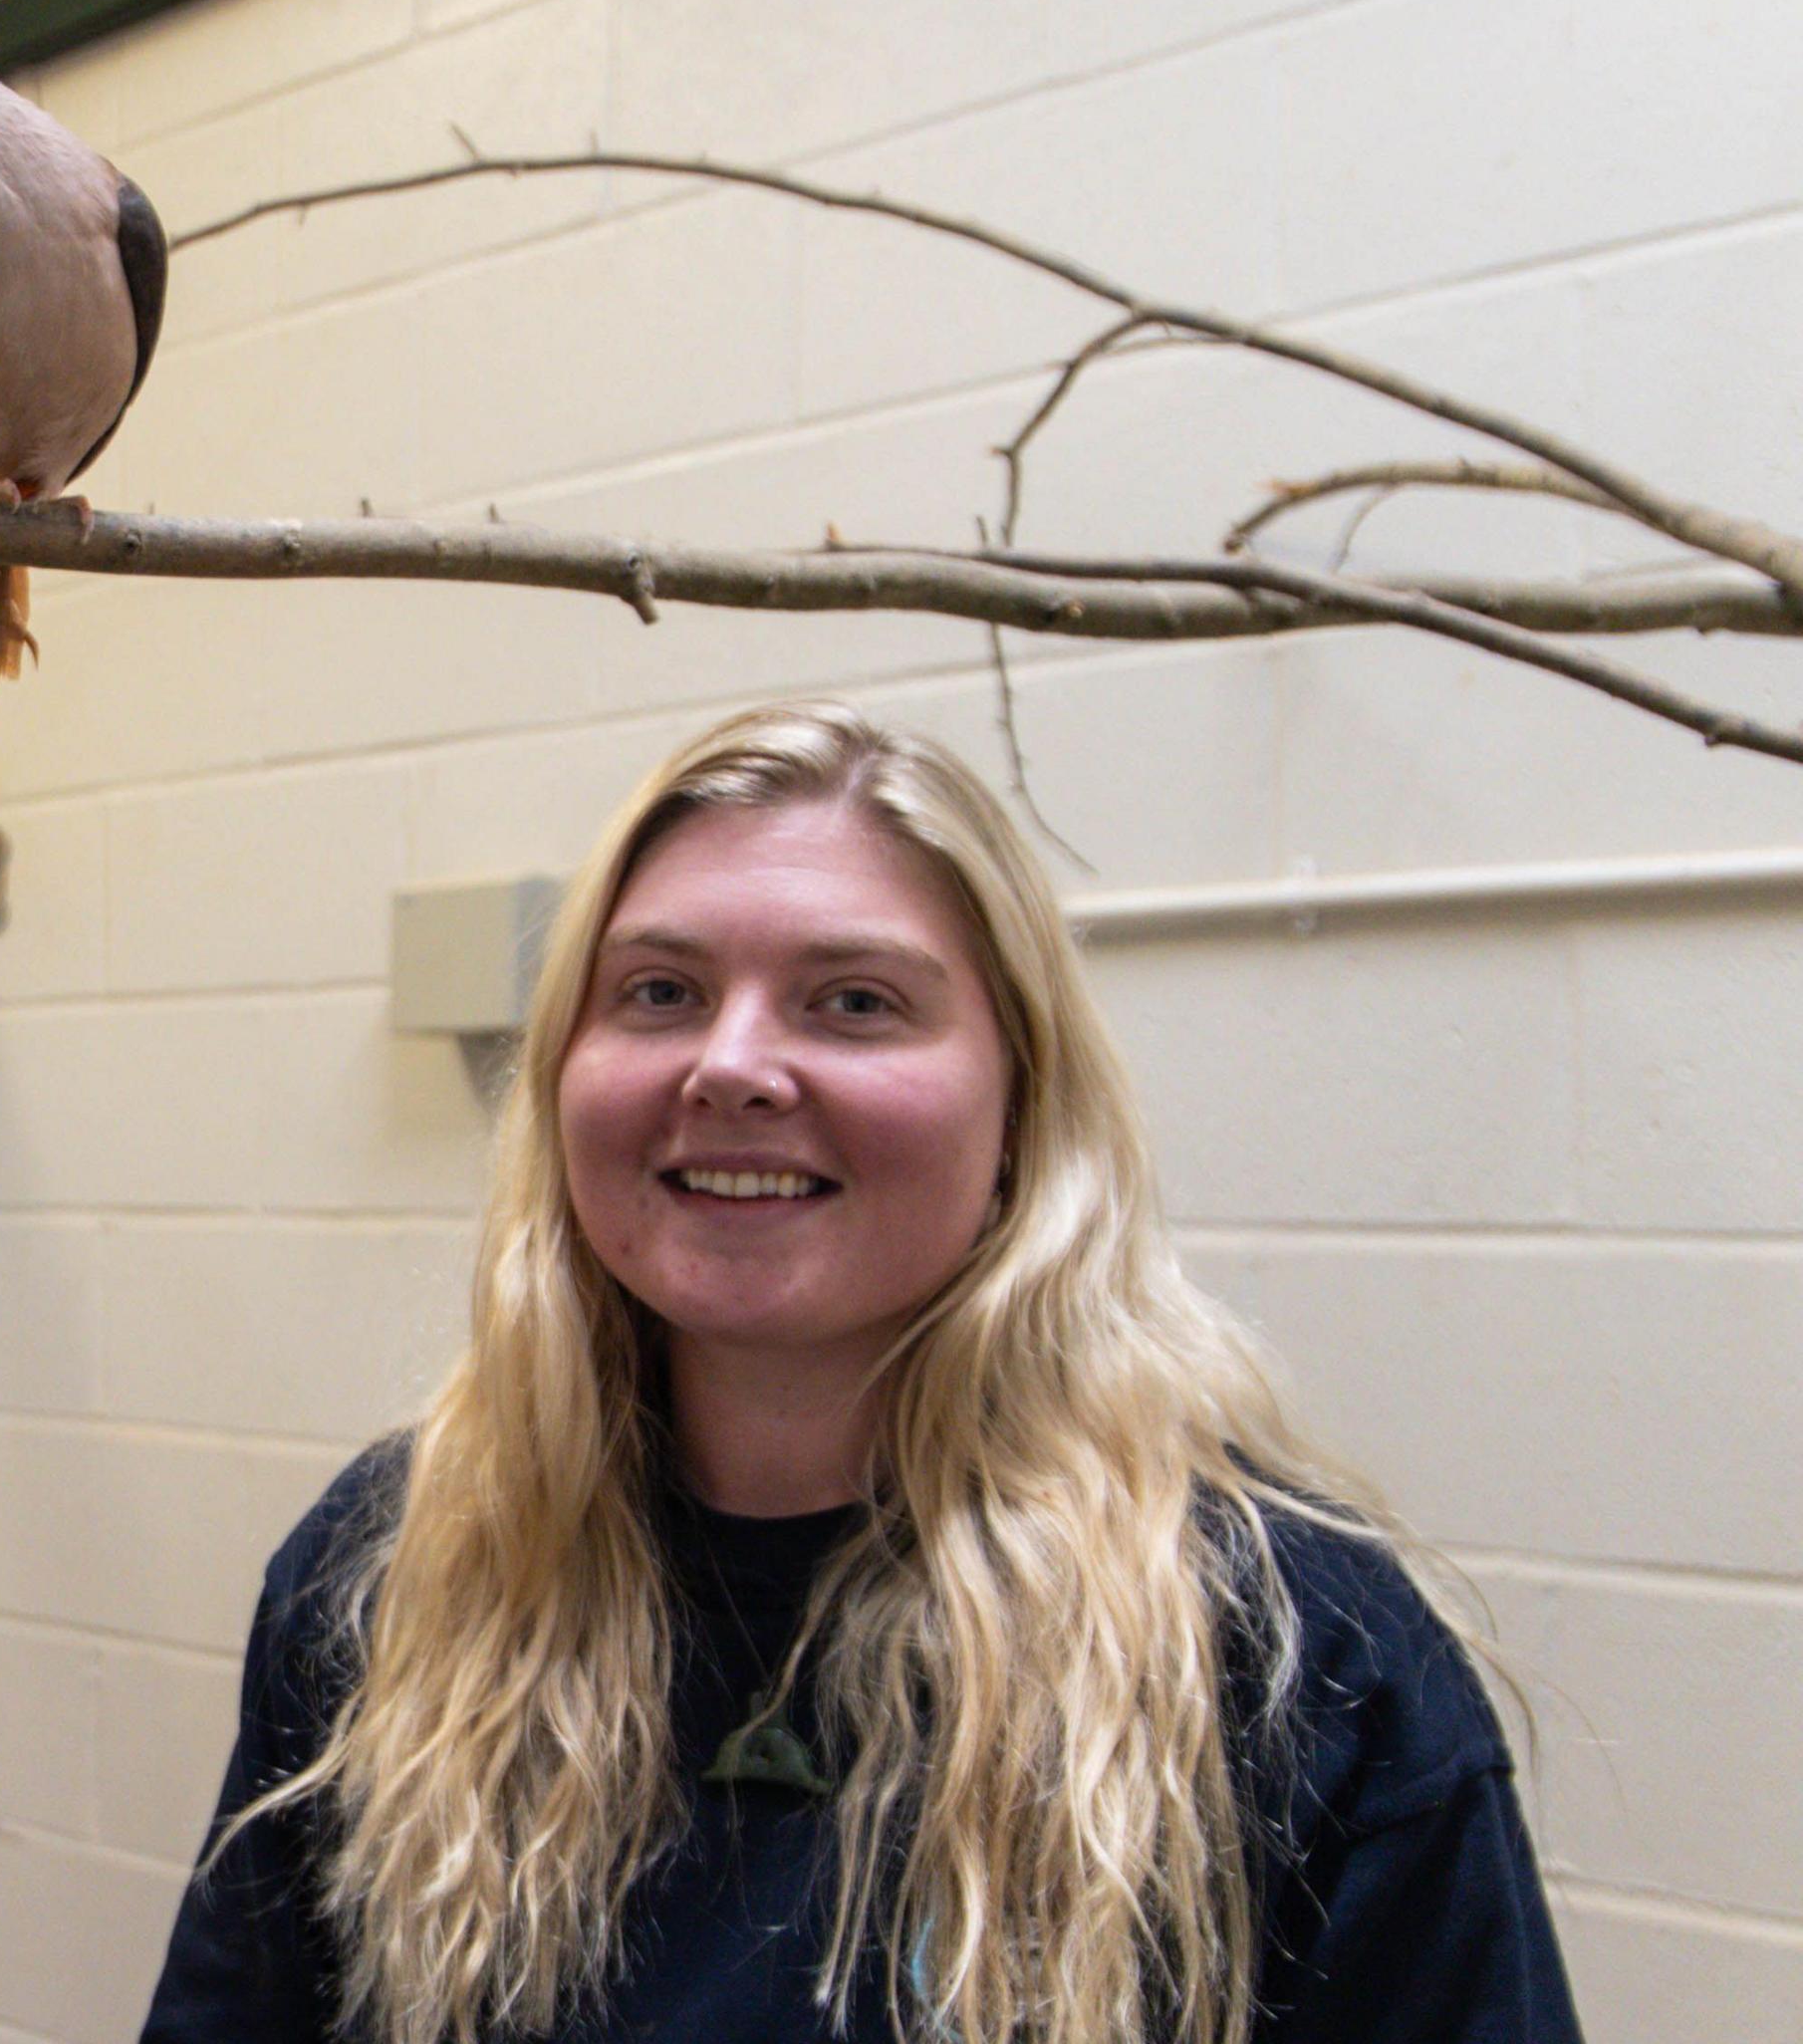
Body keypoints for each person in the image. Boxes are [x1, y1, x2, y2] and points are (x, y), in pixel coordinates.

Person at [141, 701, 1579, 2044]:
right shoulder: (399, 1571)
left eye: (854, 1003)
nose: (734, 1066)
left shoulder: (1290, 1659)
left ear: (1021, 1104)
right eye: (658, 990)